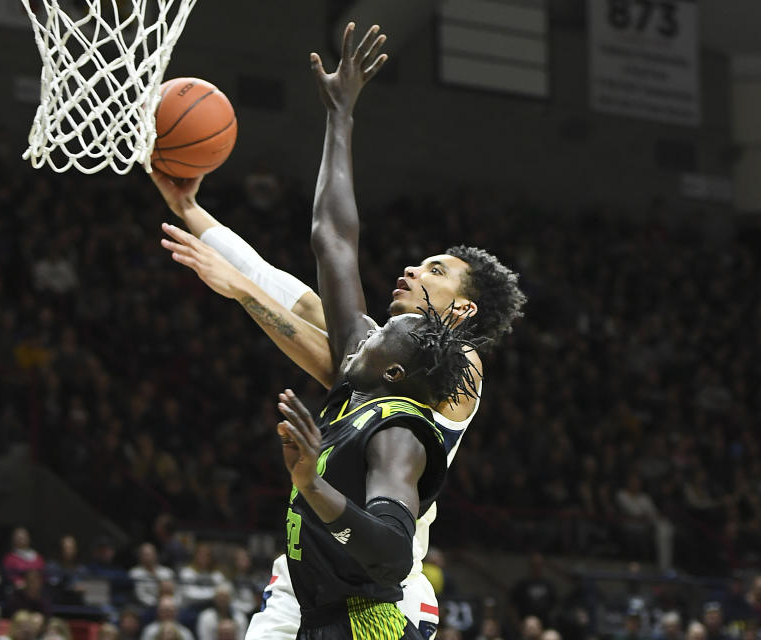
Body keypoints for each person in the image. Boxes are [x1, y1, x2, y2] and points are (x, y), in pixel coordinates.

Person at [154, 22, 525, 640]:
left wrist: (240, 292)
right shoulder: (378, 347)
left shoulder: (458, 367)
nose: (412, 268)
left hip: (378, 590)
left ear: (461, 313)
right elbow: (311, 262)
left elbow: (331, 351)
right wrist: (192, 212)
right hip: (307, 576)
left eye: (435, 271)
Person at [129, 543, 175, 608]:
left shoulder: (167, 572)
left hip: (167, 606)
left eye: (150, 554)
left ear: (156, 555)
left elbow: (174, 592)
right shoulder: (135, 573)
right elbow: (140, 595)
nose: (148, 557)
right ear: (140, 557)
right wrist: (157, 604)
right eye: (145, 555)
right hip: (145, 607)